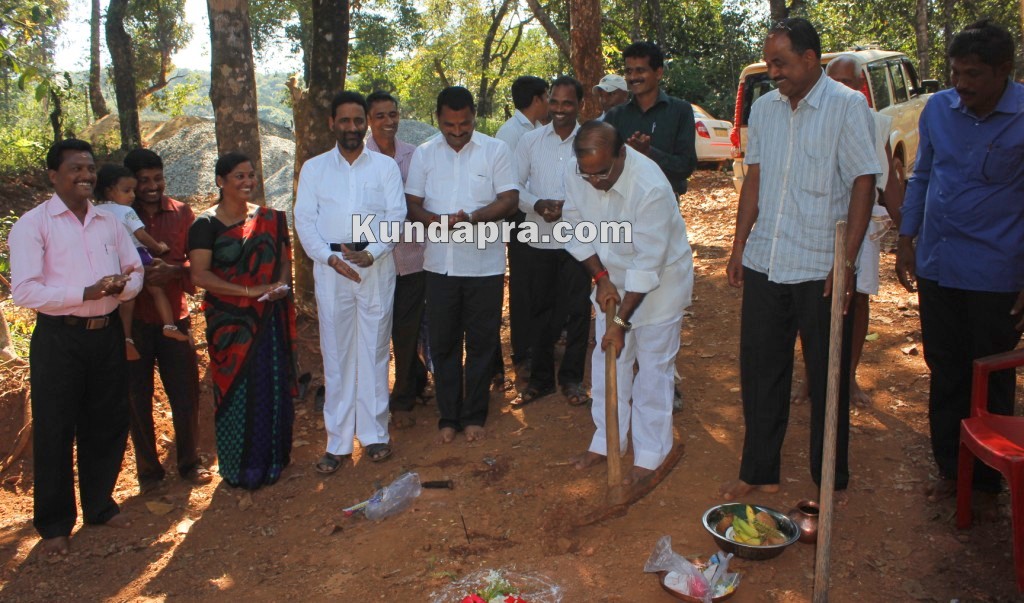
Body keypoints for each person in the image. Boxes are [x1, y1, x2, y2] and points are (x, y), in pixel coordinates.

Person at [719, 18, 880, 502]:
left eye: (781, 63)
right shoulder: (766, 110)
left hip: (820, 266)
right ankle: (759, 469)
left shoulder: (848, 107)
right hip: (767, 259)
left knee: (827, 375)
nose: (772, 73)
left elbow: (863, 184)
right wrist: (739, 245)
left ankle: (829, 474)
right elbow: (755, 181)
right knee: (760, 371)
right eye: (769, 63)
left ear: (810, 59)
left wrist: (846, 262)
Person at [895, 19, 1024, 507]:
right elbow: (923, 173)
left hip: (996, 273)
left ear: (1003, 71)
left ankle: (989, 480)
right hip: (939, 266)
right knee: (945, 369)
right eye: (955, 73)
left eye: (972, 74)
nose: (961, 84)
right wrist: (907, 237)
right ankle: (952, 471)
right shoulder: (939, 111)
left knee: (988, 373)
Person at [10, 138, 143, 558]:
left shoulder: (108, 222)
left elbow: (135, 267)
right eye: (75, 169)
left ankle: (100, 506)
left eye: (89, 169)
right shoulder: (33, 225)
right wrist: (84, 292)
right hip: (59, 338)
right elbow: (25, 291)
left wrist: (124, 289)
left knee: (106, 419)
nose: (85, 176)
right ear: (54, 176)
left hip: (105, 334)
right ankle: (54, 524)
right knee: (55, 428)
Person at [565, 121, 693, 484]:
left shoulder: (650, 186)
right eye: (587, 174)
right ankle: (607, 440)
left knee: (653, 368)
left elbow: (647, 265)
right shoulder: (577, 169)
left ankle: (652, 453)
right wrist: (601, 279)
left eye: (602, 173)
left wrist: (620, 323)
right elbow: (575, 226)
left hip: (658, 283)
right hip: (610, 277)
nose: (594, 182)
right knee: (608, 362)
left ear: (622, 153)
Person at [295, 91, 406, 473]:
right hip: (331, 271)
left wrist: (371, 252)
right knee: (337, 354)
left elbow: (396, 216)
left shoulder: (384, 168)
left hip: (374, 269)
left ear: (366, 124)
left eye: (358, 121)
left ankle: (375, 435)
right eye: (345, 121)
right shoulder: (314, 169)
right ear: (332, 124)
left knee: (374, 350)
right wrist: (330, 258)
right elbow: (305, 222)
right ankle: (338, 442)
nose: (352, 128)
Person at [405, 86, 519, 444]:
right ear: (437, 118)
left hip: (484, 266)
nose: (457, 131)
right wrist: (434, 221)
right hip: (439, 266)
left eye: (465, 124)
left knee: (482, 342)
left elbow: (510, 199)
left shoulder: (496, 150)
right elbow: (412, 204)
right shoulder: (424, 154)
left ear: (474, 116)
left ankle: (475, 414)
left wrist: (473, 218)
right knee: (443, 343)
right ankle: (448, 416)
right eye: (449, 125)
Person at [790, 55, 905, 407]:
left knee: (855, 301)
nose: (841, 88)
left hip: (862, 224)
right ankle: (811, 377)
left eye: (848, 82)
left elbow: (887, 184)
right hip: (815, 223)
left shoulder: (876, 124)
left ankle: (848, 378)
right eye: (834, 80)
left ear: (861, 87)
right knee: (810, 300)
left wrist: (907, 235)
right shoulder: (808, 117)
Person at [188, 153, 296, 489]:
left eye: (251, 175)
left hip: (268, 317)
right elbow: (201, 276)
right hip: (229, 324)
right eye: (239, 176)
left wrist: (278, 285)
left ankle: (274, 460)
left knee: (271, 385)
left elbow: (281, 260)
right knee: (234, 389)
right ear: (221, 181)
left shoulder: (269, 218)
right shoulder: (205, 225)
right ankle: (240, 467)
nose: (248, 182)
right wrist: (249, 291)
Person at [123, 148, 211, 495]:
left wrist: (174, 271)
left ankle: (189, 462)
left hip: (175, 319)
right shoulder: (115, 216)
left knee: (185, 392)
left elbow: (198, 266)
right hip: (131, 324)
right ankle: (149, 473)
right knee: (135, 397)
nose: (151, 186)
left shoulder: (181, 213)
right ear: (130, 183)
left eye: (157, 178)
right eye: (143, 181)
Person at [512, 76, 592, 408]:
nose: (559, 110)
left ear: (579, 105)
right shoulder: (530, 141)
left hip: (578, 242)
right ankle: (541, 380)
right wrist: (538, 204)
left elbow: (599, 186)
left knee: (577, 311)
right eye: (555, 102)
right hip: (538, 239)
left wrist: (567, 208)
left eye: (567, 103)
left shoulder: (590, 140)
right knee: (540, 311)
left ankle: (572, 379)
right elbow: (513, 187)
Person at [365, 90, 429, 429]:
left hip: (415, 256)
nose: (388, 122)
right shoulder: (361, 159)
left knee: (407, 329)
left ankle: (403, 397)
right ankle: (414, 381)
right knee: (389, 329)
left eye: (392, 114)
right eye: (380, 116)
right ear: (368, 120)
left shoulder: (413, 154)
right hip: (378, 260)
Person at [93, 165, 189, 362]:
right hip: (135, 254)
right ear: (110, 190)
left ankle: (127, 338)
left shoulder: (93, 211)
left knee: (127, 299)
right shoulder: (126, 211)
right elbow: (141, 235)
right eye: (127, 190)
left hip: (113, 260)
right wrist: (159, 247)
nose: (132, 196)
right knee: (156, 288)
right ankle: (169, 325)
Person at [495, 75, 550, 385]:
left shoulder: (540, 129)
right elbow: (509, 185)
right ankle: (521, 353)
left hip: (541, 216)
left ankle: (540, 343)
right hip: (519, 217)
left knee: (541, 282)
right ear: (536, 99)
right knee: (523, 287)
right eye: (547, 97)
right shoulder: (510, 134)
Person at [603, 41, 697, 195]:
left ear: (658, 73)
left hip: (665, 202)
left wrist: (649, 153)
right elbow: (604, 164)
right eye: (628, 71)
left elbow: (685, 166)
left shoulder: (680, 111)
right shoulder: (615, 116)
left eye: (640, 70)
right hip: (622, 204)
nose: (633, 77)